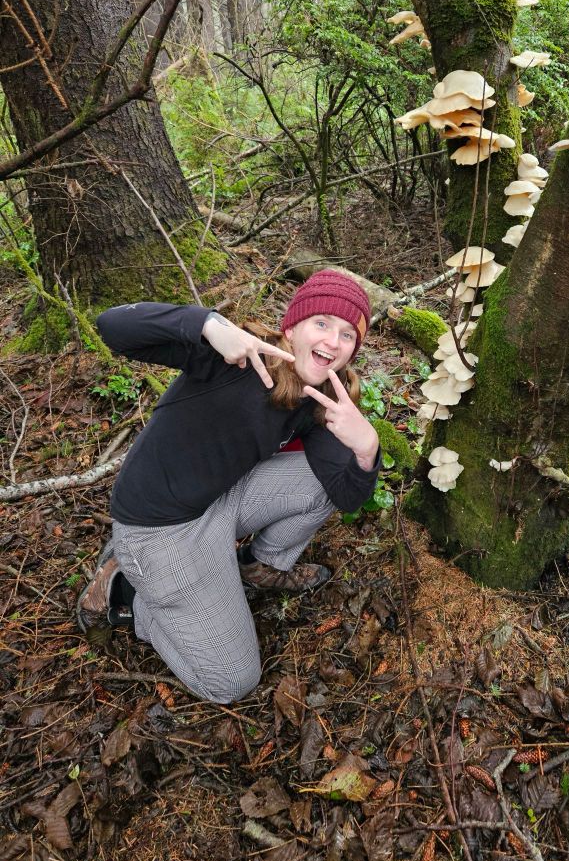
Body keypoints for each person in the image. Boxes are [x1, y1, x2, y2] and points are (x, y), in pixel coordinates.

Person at [77, 270, 381, 704]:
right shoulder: (232, 358)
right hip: (161, 530)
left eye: (348, 334)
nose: (333, 341)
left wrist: (367, 448)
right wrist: (206, 324)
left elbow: (347, 494)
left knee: (320, 482)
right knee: (232, 682)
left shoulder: (324, 400)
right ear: (291, 326)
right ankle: (126, 590)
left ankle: (258, 565)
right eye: (322, 324)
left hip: (221, 498)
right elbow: (112, 327)